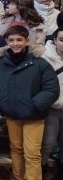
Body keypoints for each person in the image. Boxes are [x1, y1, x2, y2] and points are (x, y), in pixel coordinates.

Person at [0, 26, 59, 180]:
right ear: (6, 41)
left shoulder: (39, 63)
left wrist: (34, 104)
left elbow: (51, 89)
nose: (15, 43)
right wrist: (2, 101)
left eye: (19, 40)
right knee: (16, 149)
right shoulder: (0, 64)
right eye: (11, 40)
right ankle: (18, 177)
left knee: (32, 154)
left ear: (27, 41)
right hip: (12, 114)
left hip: (34, 115)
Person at [40, 27, 63, 167]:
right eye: (61, 40)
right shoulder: (45, 59)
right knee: (47, 143)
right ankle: (40, 170)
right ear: (54, 40)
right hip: (52, 108)